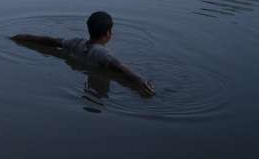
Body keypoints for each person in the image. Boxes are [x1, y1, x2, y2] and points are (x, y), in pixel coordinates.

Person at [11, 11, 155, 96]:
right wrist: (141, 81)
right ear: (108, 33)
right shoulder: (102, 53)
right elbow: (121, 68)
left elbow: (51, 41)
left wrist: (24, 37)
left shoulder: (76, 42)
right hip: (96, 69)